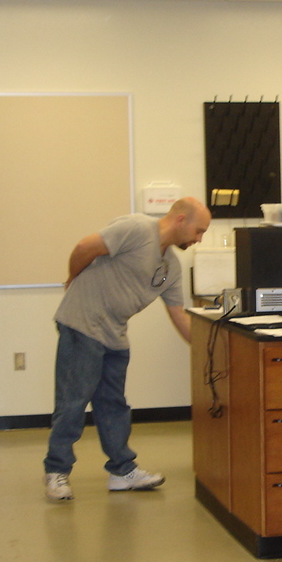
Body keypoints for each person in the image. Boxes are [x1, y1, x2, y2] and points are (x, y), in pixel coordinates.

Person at [43, 197, 211, 501]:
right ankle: (57, 470)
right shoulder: (137, 229)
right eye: (198, 231)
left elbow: (179, 315)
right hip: (82, 323)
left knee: (114, 405)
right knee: (73, 402)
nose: (199, 239)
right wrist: (73, 277)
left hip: (114, 334)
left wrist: (208, 352)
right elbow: (85, 247)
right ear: (180, 220)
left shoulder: (170, 267)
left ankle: (122, 472)